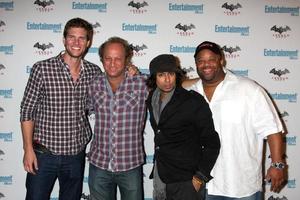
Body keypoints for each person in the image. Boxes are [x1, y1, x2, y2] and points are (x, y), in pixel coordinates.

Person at [185, 41, 285, 200]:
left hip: (242, 186)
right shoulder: (190, 91)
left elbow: (272, 130)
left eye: (211, 59)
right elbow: (163, 84)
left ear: (221, 60)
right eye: (201, 61)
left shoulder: (249, 89)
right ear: (196, 64)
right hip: (202, 185)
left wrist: (277, 164)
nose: (206, 64)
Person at [20, 18, 102, 200]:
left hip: (75, 155)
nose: (76, 42)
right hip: (43, 155)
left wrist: (131, 71)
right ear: (64, 40)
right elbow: (27, 110)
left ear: (88, 42)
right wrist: (28, 149)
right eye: (72, 37)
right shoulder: (42, 69)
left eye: (82, 38)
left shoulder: (94, 72)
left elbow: (110, 89)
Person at [146, 54, 221, 200]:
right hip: (161, 177)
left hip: (186, 181)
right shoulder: (151, 99)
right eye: (161, 75)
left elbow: (212, 143)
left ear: (177, 75)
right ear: (154, 77)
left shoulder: (192, 101)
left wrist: (200, 177)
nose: (167, 80)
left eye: (171, 74)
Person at [87, 36, 148, 200]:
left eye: (118, 59)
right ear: (102, 59)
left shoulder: (142, 84)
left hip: (130, 164)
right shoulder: (94, 84)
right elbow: (78, 110)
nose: (112, 63)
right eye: (108, 58)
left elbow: (173, 87)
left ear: (126, 60)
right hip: (99, 164)